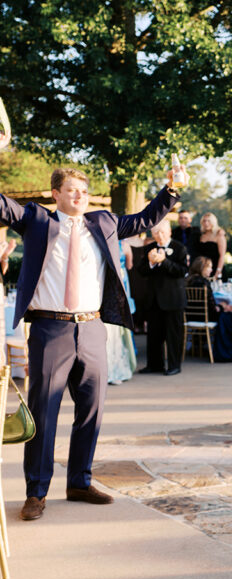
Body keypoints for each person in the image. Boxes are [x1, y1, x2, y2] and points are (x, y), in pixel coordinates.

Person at [0, 131, 185, 522]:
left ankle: (80, 481)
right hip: (51, 330)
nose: (79, 196)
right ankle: (36, 492)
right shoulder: (35, 219)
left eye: (83, 190)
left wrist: (171, 190)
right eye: (71, 190)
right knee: (44, 413)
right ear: (56, 194)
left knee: (92, 410)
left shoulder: (103, 222)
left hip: (93, 329)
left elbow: (147, 218)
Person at [136, 220, 188, 375]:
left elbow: (182, 271)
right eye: (156, 232)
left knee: (173, 335)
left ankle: (174, 366)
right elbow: (141, 271)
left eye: (162, 232)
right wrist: (151, 264)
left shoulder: (179, 248)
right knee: (153, 335)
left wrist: (164, 262)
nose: (159, 235)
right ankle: (154, 365)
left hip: (173, 299)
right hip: (154, 299)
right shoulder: (149, 248)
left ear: (169, 232)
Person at [106, 241, 138, 385]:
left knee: (119, 330)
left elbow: (129, 265)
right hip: (107, 285)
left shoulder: (124, 244)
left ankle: (118, 368)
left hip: (122, 283)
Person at [196, 213, 227, 278]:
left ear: (213, 222)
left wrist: (218, 270)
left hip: (216, 267)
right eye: (204, 221)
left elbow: (222, 255)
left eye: (209, 221)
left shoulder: (219, 235)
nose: (206, 223)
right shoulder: (201, 236)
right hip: (203, 269)